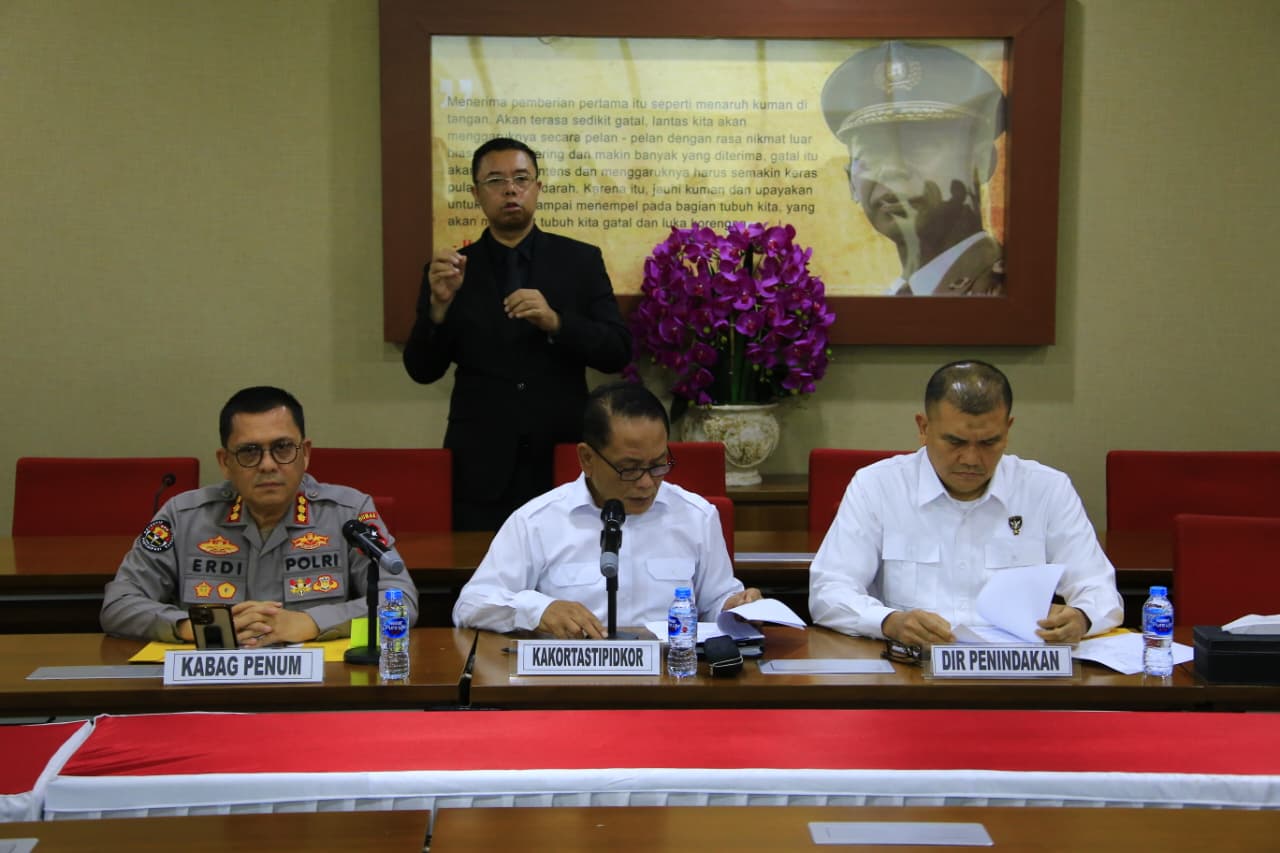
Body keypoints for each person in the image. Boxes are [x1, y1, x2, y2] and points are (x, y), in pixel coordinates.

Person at [403, 137, 632, 532]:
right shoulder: (452, 270)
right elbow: (422, 370)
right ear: (476, 194)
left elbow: (617, 351)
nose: (510, 189)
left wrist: (557, 322)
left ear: (538, 187)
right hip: (480, 465)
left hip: (563, 456)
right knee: (480, 568)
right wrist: (438, 308)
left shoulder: (580, 260)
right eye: (495, 181)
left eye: (521, 179)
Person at [809, 361, 1123, 647]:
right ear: (923, 428)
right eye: (955, 442)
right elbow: (829, 591)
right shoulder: (877, 486)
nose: (971, 459)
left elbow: (1099, 589)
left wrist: (1081, 618)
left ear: (1007, 431)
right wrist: (890, 622)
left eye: (989, 442)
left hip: (1018, 670)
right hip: (914, 668)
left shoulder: (1047, 489)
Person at [101, 386, 419, 645]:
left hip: (317, 687)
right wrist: (200, 626)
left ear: (305, 454)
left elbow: (401, 600)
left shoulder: (348, 513)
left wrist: (311, 622)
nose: (268, 465)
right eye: (249, 452)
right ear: (225, 462)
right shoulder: (183, 516)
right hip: (212, 686)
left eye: (282, 448)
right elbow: (118, 604)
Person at [453, 381, 760, 638]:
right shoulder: (536, 521)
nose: (646, 483)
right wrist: (539, 610)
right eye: (629, 468)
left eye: (657, 465)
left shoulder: (696, 516)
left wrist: (735, 607)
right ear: (587, 459)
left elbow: (716, 601)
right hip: (571, 681)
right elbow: (470, 605)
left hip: (671, 675)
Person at [821, 41, 1006, 296]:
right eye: (871, 153)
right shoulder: (891, 298)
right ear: (850, 182)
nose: (891, 170)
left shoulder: (1005, 291)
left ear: (981, 161)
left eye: (918, 147)